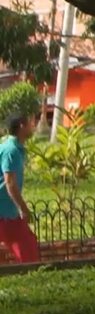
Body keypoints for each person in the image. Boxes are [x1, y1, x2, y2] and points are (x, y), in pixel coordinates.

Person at [0, 112, 39, 264]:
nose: (32, 126)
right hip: (4, 212)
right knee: (27, 248)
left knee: (26, 244)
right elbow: (10, 183)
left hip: (6, 211)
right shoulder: (12, 151)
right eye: (30, 123)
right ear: (22, 126)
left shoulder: (10, 147)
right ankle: (29, 278)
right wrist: (23, 208)